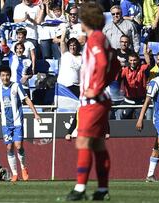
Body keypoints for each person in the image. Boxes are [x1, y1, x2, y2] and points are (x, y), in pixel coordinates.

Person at [65, 2, 112, 201]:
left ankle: (80, 188)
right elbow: (115, 64)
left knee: (83, 142)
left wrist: (97, 87)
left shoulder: (95, 38)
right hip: (98, 100)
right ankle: (102, 190)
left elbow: (102, 62)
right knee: (98, 145)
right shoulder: (102, 38)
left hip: (93, 101)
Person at [0, 66, 41, 182]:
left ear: (10, 76)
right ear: (0, 76)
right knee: (9, 147)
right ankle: (15, 174)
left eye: (7, 75)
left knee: (19, 146)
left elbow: (26, 99)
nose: (5, 77)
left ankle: (23, 167)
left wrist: (35, 113)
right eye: (2, 75)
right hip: (6, 123)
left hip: (17, 122)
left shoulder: (16, 86)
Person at [57, 26, 82, 98]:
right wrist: (64, 29)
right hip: (63, 86)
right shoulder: (65, 54)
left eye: (74, 45)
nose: (72, 47)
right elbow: (62, 41)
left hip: (77, 86)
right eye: (70, 45)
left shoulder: (81, 57)